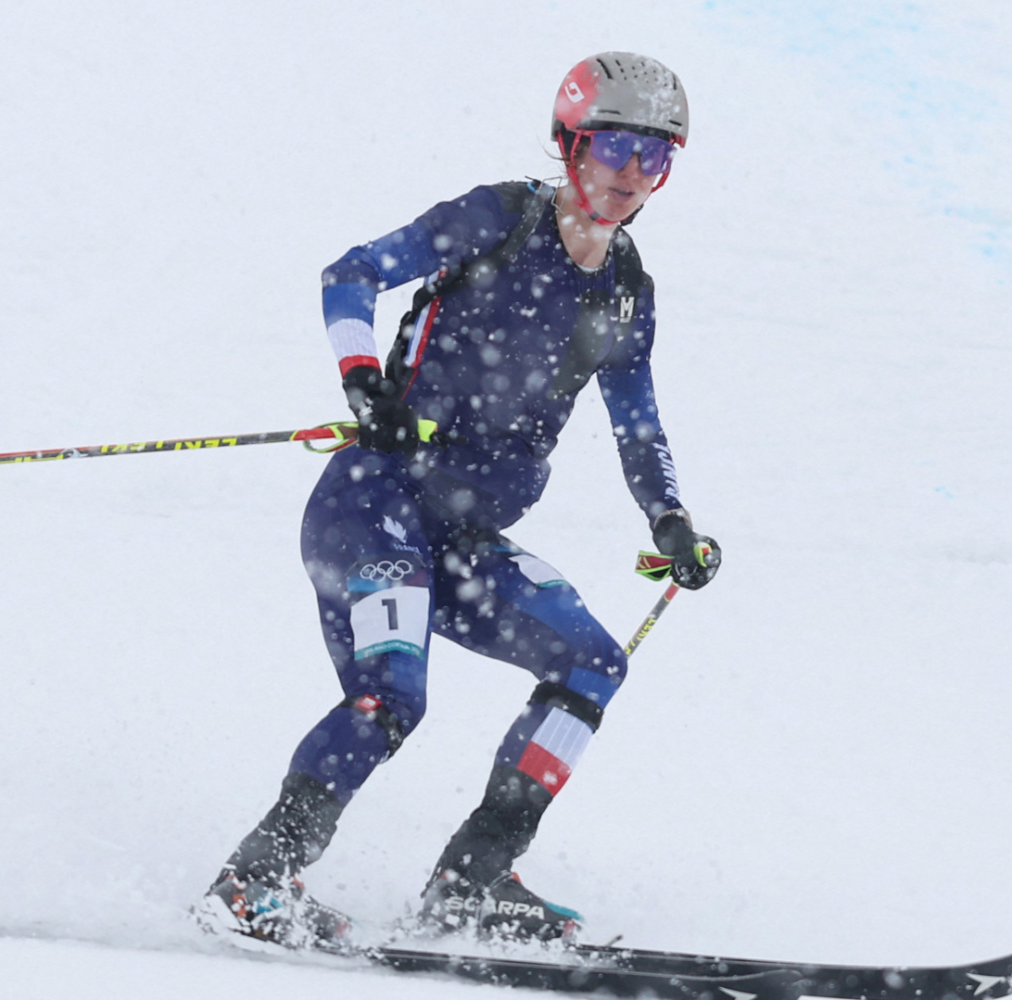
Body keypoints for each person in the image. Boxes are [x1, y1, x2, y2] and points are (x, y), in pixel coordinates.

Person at [199, 52, 721, 949]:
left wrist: (670, 521)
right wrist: (364, 383)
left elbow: (638, 426)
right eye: (616, 147)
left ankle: (470, 883)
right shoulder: (500, 219)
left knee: (593, 663)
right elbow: (351, 273)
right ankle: (252, 880)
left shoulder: (627, 292)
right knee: (392, 696)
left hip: (459, 540)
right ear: (569, 144)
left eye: (656, 155)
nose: (633, 172)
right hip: (374, 507)